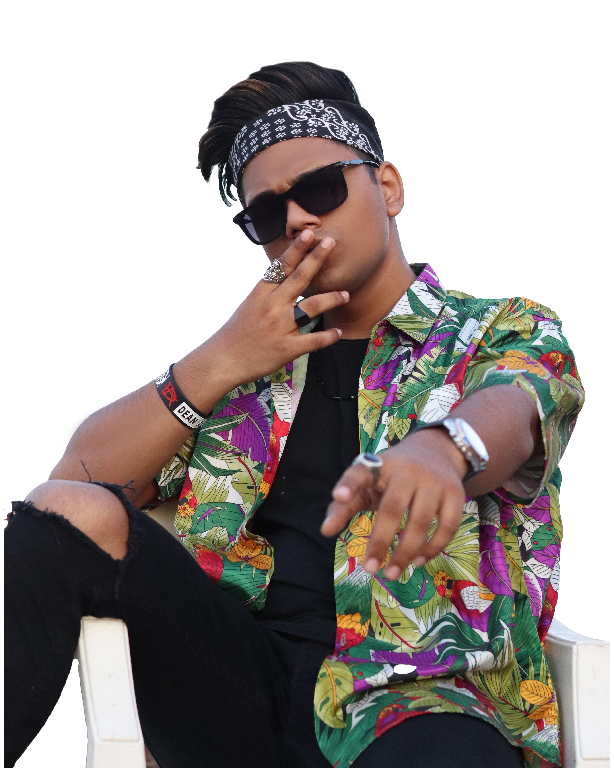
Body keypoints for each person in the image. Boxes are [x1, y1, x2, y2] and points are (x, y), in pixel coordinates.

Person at [4, 61, 585, 768]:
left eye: (320, 188)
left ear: (389, 187)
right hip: (240, 689)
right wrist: (218, 360)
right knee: (64, 512)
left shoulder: (499, 328)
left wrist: (443, 449)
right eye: (268, 214)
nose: (298, 221)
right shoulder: (244, 366)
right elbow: (74, 483)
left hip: (423, 695)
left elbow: (517, 406)